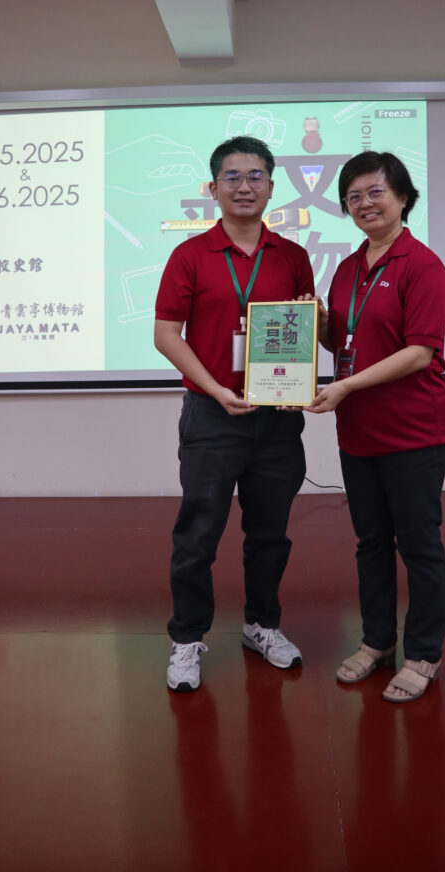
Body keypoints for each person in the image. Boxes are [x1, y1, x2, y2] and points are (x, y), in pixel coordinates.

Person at [154, 135, 314, 692]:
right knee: (197, 535)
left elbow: (301, 328)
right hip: (211, 416)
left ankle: (261, 625)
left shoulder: (292, 256)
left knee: (270, 534)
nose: (244, 186)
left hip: (276, 419)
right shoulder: (189, 255)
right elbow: (166, 334)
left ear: (271, 187)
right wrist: (217, 390)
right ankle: (186, 638)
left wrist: (302, 369)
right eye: (232, 176)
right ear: (213, 187)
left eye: (255, 176)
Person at [307, 151, 445, 703]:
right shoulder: (348, 269)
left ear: (403, 198)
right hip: (358, 431)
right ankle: (377, 641)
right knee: (370, 542)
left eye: (375, 192)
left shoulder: (423, 266)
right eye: (353, 196)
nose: (364, 203)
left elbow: (419, 352)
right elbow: (342, 342)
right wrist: (316, 323)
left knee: (418, 544)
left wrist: (346, 386)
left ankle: (423, 653)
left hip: (413, 430)